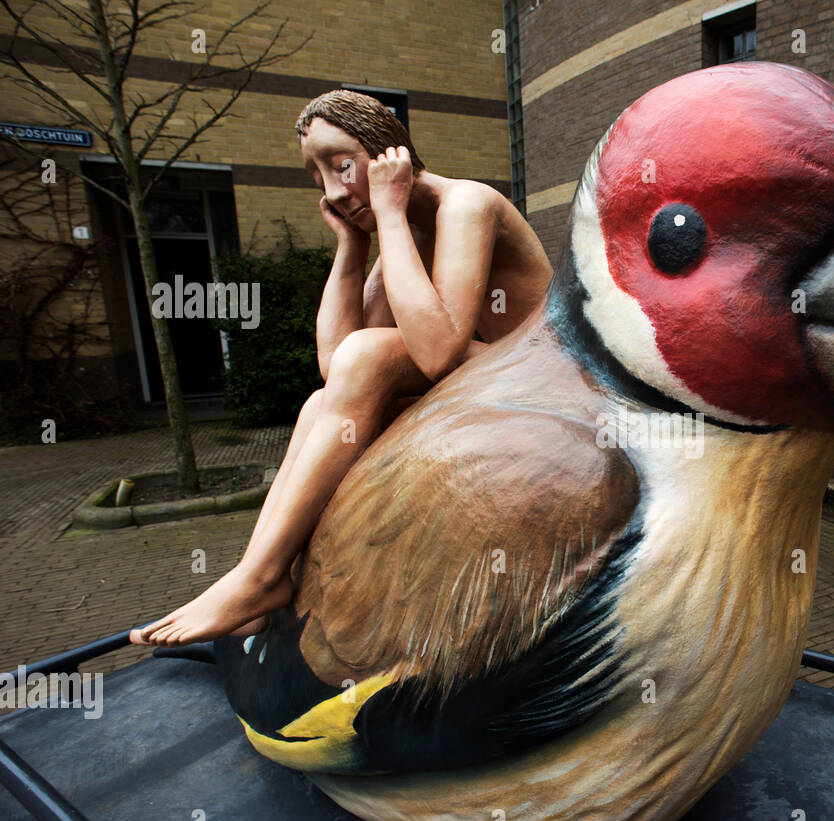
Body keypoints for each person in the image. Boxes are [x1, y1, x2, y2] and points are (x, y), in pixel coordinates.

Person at [130, 90, 552, 647]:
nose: (332, 189)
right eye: (317, 175)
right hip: (487, 381)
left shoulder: (467, 204)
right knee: (317, 402)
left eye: (341, 165)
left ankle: (256, 580)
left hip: (541, 379)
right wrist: (352, 247)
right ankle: (262, 573)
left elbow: (437, 352)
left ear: (387, 154)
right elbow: (336, 363)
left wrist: (391, 215)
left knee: (367, 359)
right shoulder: (401, 237)